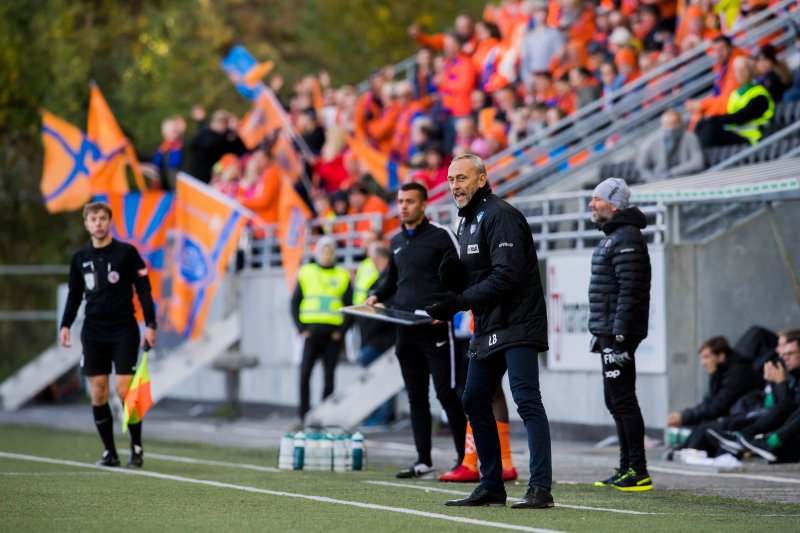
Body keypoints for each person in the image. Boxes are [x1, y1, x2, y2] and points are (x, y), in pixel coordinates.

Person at [427, 153, 553, 509]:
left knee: (526, 399)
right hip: (489, 323)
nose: (455, 186)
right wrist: (453, 281)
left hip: (519, 321)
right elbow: (477, 276)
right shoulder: (466, 221)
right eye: (451, 180)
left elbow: (507, 276)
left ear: (482, 179)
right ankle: (492, 484)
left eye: (462, 178)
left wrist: (459, 301)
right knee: (473, 399)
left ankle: (541, 488)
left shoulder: (501, 215)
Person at [367, 182, 467, 480]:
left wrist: (448, 307)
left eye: (410, 201)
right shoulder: (396, 240)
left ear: (423, 205)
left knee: (447, 394)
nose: (403, 206)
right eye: (400, 201)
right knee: (415, 397)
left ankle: (465, 460)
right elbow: (391, 281)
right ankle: (423, 460)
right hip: (405, 330)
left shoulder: (441, 236)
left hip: (435, 329)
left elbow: (462, 275)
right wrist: (375, 295)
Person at [59, 202, 157, 468]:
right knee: (98, 391)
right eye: (93, 219)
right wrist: (65, 324)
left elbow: (144, 290)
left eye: (102, 218)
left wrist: (150, 323)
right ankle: (109, 453)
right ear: (87, 224)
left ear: (110, 221)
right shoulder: (80, 258)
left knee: (125, 390)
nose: (98, 223)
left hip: (124, 328)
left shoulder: (127, 253)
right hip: (93, 331)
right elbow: (74, 295)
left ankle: (136, 448)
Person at [587, 177, 653, 492]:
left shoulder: (626, 237)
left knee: (623, 398)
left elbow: (630, 290)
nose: (591, 204)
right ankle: (627, 467)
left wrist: (621, 336)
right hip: (609, 331)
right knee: (614, 398)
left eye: (596, 199)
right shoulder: (616, 235)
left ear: (613, 204)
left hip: (617, 334)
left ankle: (638, 470)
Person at [290, 237, 353, 422]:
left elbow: (350, 307)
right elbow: (294, 303)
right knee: (304, 375)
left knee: (329, 377)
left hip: (332, 336)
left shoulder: (342, 275)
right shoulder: (306, 272)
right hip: (311, 333)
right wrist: (301, 328)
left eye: (330, 251)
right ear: (318, 252)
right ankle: (303, 415)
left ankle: (326, 415)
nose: (327, 255)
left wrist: (341, 332)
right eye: (324, 251)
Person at [666, 336, 761, 451]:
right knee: (699, 428)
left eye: (706, 357)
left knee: (704, 430)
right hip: (732, 416)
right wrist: (685, 416)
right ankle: (680, 452)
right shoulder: (720, 370)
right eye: (702, 358)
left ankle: (683, 453)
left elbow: (717, 406)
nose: (703, 363)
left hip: (744, 417)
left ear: (720, 356)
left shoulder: (737, 373)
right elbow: (709, 402)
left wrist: (685, 417)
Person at [355, 242, 396, 426]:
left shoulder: (389, 279)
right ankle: (381, 415)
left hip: (382, 340)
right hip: (374, 338)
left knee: (381, 379)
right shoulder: (380, 280)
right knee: (379, 377)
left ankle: (383, 416)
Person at [695, 56, 775, 148]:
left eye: (743, 70)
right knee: (702, 124)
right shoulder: (734, 94)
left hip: (753, 137)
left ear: (751, 72)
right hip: (736, 134)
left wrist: (713, 118)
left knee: (710, 126)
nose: (740, 74)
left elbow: (741, 116)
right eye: (737, 71)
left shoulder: (759, 94)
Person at [636, 110, 705, 182]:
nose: (670, 128)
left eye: (674, 124)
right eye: (667, 124)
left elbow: (698, 163)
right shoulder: (652, 142)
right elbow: (642, 166)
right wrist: (654, 181)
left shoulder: (691, 138)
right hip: (660, 182)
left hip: (687, 180)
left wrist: (672, 173)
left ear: (680, 124)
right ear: (662, 125)